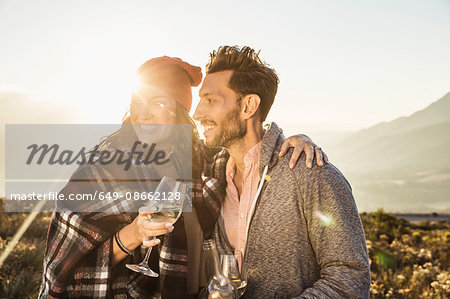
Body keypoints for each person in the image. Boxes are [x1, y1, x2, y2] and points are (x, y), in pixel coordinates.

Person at [39, 56, 328, 298]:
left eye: (159, 103)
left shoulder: (203, 162)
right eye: (137, 102)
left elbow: (248, 149)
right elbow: (63, 271)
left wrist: (293, 141)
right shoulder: (100, 172)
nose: (144, 114)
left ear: (180, 111)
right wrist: (135, 233)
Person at [193, 46, 371, 298]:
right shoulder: (211, 178)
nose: (197, 113)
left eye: (210, 100)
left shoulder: (311, 173)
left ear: (249, 106)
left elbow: (350, 277)